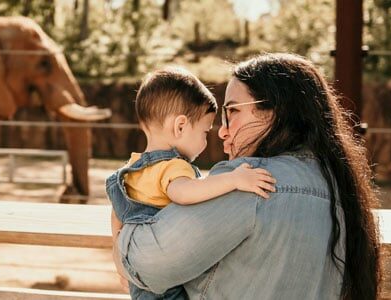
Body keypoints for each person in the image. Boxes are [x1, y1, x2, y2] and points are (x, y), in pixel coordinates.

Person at [113, 53, 384, 299]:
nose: (222, 131)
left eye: (232, 111)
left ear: (273, 112)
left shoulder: (250, 182)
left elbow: (144, 261)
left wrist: (122, 224)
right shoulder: (337, 186)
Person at [106, 66, 276, 300]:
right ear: (181, 126)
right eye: (205, 132)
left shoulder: (132, 170)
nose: (207, 140)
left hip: (141, 283)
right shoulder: (174, 166)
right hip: (167, 286)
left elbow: (117, 214)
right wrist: (235, 179)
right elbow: (184, 193)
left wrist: (119, 256)